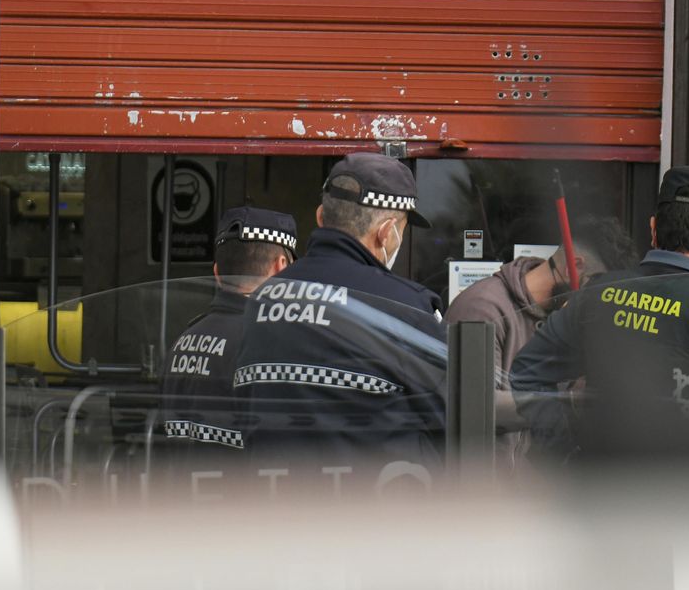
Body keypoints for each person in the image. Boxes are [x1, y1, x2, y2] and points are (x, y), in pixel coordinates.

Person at [509, 166, 689, 461]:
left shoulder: (598, 293)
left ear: (654, 228)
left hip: (597, 491)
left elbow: (527, 372)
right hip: (673, 497)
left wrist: (565, 449)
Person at [233, 152, 446, 493]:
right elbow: (449, 418)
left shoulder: (264, 299)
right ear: (387, 231)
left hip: (277, 516)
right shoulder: (407, 306)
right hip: (374, 522)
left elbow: (244, 409)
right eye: (402, 230)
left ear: (320, 216)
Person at [443, 215, 638, 471]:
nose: (596, 302)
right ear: (573, 267)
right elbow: (476, 409)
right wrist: (568, 399)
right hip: (486, 493)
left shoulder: (561, 320)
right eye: (595, 289)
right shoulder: (485, 310)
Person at [156, 207, 296, 484]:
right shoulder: (269, 344)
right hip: (241, 513)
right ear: (281, 266)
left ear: (218, 273)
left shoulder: (184, 339)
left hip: (184, 508)